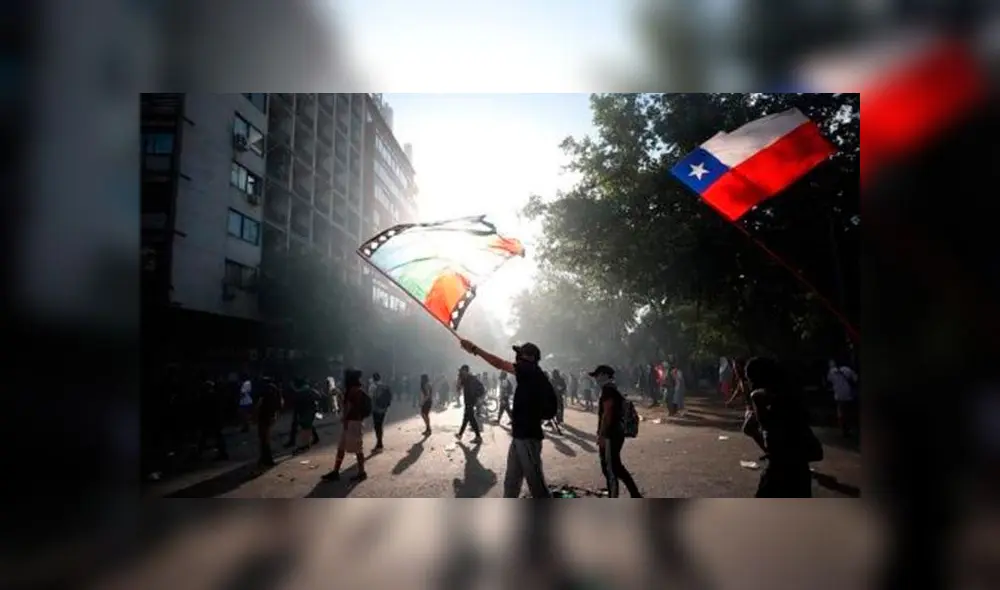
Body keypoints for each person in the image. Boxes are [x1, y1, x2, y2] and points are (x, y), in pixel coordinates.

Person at [459, 339, 551, 498]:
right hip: (519, 436)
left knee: (536, 485)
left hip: (528, 436)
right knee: (511, 482)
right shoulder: (531, 373)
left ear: (530, 357)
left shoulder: (530, 370)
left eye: (520, 354)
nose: (517, 358)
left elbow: (500, 363)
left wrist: (475, 349)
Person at [747, 357, 816, 497]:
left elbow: (775, 444)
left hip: (781, 475)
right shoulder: (789, 400)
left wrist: (759, 413)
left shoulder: (779, 404)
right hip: (795, 474)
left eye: (750, 379)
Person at [591, 365, 642, 497]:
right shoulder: (612, 390)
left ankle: (613, 497)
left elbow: (607, 414)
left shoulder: (608, 391)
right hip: (615, 434)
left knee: (610, 469)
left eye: (597, 375)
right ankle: (635, 494)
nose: (596, 379)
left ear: (604, 375)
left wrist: (602, 435)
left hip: (610, 435)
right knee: (616, 467)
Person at [322, 369, 368, 482]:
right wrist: (339, 394)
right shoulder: (356, 390)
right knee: (341, 448)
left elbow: (348, 406)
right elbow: (347, 402)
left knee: (357, 449)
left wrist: (344, 418)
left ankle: (362, 472)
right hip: (353, 422)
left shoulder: (352, 391)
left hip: (353, 423)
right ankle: (336, 471)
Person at [726, 358, 766, 453]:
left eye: (736, 366)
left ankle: (770, 451)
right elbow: (738, 391)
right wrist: (731, 401)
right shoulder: (741, 379)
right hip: (749, 409)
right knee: (753, 429)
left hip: (755, 409)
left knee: (748, 428)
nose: (734, 369)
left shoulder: (750, 378)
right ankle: (769, 451)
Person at [827, 359, 859, 438]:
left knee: (841, 413)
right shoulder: (847, 369)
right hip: (849, 396)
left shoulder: (831, 371)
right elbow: (856, 379)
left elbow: (829, 380)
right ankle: (851, 428)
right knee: (849, 412)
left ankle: (844, 430)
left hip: (838, 396)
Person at [256, 378, 282, 467]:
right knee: (266, 437)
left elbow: (259, 403)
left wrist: (254, 415)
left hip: (263, 415)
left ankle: (266, 458)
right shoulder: (276, 389)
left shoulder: (263, 390)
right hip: (271, 415)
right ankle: (267, 458)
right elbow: (280, 403)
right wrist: (275, 415)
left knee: (263, 438)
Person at [455, 365, 484, 443]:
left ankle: (478, 437)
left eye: (462, 371)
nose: (461, 372)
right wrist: (459, 378)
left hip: (471, 401)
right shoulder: (465, 379)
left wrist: (477, 397)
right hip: (468, 402)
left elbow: (481, 388)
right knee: (466, 418)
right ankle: (460, 434)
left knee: (471, 419)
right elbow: (458, 388)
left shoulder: (472, 378)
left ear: (466, 371)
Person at [370, 372, 392, 452]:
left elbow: (371, 398)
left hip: (376, 409)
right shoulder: (384, 386)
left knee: (377, 426)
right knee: (380, 425)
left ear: (373, 378)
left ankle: (379, 444)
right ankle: (380, 443)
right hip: (383, 409)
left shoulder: (372, 386)